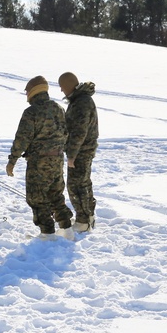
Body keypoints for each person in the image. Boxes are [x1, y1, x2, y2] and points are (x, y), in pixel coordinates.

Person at [6, 76, 73, 237]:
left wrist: (12, 160)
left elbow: (22, 139)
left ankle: (47, 233)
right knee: (55, 194)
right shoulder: (59, 108)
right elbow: (66, 133)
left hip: (39, 161)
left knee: (36, 197)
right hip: (57, 159)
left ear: (33, 92)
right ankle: (66, 228)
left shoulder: (31, 112)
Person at [59, 72, 98, 233]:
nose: (61, 91)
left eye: (62, 87)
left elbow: (79, 132)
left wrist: (72, 155)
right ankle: (87, 217)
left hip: (81, 151)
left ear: (69, 86)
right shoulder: (81, 100)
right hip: (84, 149)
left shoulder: (81, 103)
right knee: (83, 183)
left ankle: (83, 221)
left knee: (76, 185)